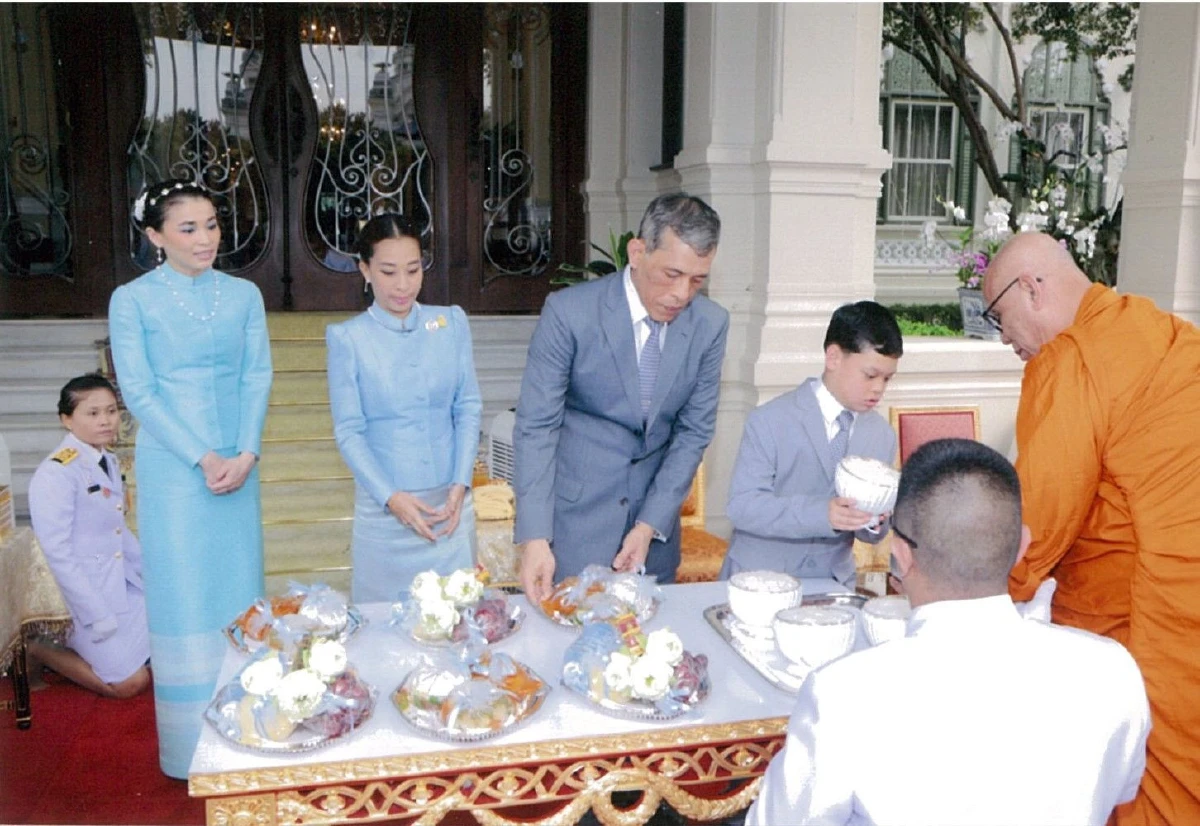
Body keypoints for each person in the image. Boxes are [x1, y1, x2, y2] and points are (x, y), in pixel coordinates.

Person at [747, 438, 1150, 826]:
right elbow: (1118, 793)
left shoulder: (843, 694)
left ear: (901, 556)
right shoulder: (1112, 669)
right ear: (1022, 546)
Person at [983, 231, 1200, 824]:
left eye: (999, 315)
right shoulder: (1160, 330)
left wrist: (970, 590)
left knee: (1149, 779)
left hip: (1159, 614)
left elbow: (1036, 526)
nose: (1003, 337)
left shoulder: (1070, 358)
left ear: (1032, 287)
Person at [109, 178, 273, 778]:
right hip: (178, 472)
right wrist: (203, 458)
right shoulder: (133, 300)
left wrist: (247, 452)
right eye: (188, 228)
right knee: (183, 598)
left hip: (240, 465)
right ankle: (188, 751)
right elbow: (140, 392)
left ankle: (250, 730)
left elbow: (257, 376)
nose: (205, 238)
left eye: (211, 224)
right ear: (155, 236)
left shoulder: (244, 295)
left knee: (237, 593)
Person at [514, 193, 729, 601]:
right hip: (573, 529)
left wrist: (649, 525)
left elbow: (693, 433)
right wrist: (536, 537)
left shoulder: (710, 325)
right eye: (672, 274)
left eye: (697, 280)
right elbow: (536, 427)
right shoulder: (569, 313)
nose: (682, 293)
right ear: (637, 251)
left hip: (653, 535)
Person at [326, 214, 482, 602]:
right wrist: (391, 497)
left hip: (449, 507)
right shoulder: (348, 338)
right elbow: (349, 431)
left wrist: (460, 484)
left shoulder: (450, 322)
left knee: (456, 619)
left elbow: (467, 406)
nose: (403, 285)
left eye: (413, 270)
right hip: (386, 515)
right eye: (389, 271)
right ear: (364, 269)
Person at [721, 301, 902, 584]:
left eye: (887, 379)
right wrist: (822, 514)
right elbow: (742, 506)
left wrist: (875, 521)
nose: (878, 388)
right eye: (870, 375)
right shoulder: (769, 420)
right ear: (833, 357)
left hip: (832, 580)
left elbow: (869, 533)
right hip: (759, 579)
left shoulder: (881, 434)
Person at [27, 374, 151, 699]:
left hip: (118, 583)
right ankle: (40, 649)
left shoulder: (105, 459)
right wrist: (97, 613)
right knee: (129, 684)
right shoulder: (57, 472)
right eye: (93, 413)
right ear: (66, 420)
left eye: (111, 411)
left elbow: (117, 530)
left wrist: (150, 576)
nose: (106, 421)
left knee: (174, 636)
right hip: (82, 598)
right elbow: (58, 554)